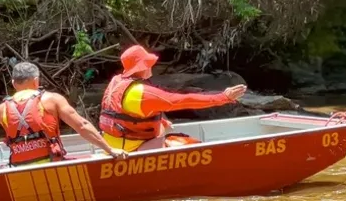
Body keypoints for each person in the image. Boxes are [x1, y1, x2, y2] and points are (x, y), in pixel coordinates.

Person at [0, 61, 128, 166]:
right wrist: (109, 149)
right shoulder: (52, 100)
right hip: (52, 165)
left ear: (14, 83)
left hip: (19, 168)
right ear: (37, 81)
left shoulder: (1, 109)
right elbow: (81, 126)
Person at [100, 45, 247, 152]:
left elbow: (126, 114)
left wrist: (159, 121)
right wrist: (223, 97)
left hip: (112, 147)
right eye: (148, 63)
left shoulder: (117, 83)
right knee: (191, 146)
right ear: (143, 67)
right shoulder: (141, 94)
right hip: (131, 149)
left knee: (164, 129)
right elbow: (185, 100)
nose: (151, 65)